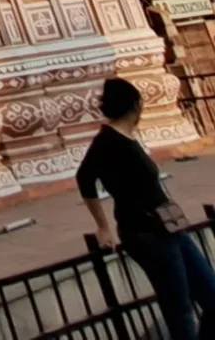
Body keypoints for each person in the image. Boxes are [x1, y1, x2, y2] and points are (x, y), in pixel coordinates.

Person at [78, 75, 215, 339]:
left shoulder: (127, 139)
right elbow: (85, 178)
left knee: (209, 294)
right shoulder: (108, 141)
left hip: (169, 225)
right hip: (146, 232)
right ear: (135, 105)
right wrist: (103, 226)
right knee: (180, 308)